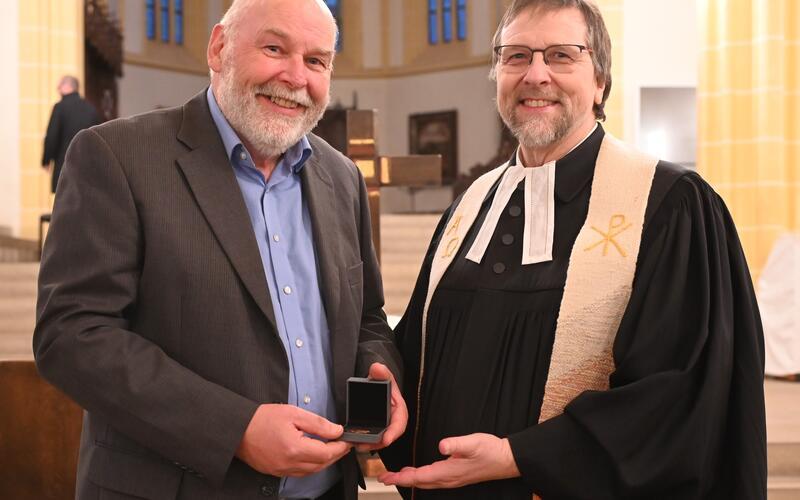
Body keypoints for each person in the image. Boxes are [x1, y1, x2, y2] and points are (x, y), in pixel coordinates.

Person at [378, 0, 766, 499]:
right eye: (516, 56)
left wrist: (520, 457)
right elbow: (420, 347)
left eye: (562, 55)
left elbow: (682, 391)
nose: (535, 75)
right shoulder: (470, 206)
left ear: (601, 80)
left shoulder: (670, 205)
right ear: (496, 74)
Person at [33, 1, 407, 499]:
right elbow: (72, 335)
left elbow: (367, 318)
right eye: (274, 48)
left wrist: (380, 368)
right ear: (218, 48)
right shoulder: (117, 156)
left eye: (317, 60)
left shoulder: (340, 177)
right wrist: (236, 429)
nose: (295, 76)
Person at [41, 75, 100, 193]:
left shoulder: (60, 107)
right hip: (86, 164)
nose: (58, 89)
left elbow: (52, 136)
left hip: (65, 163)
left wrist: (46, 159)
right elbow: (98, 138)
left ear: (68, 86)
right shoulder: (91, 109)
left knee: (64, 200)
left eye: (60, 85)